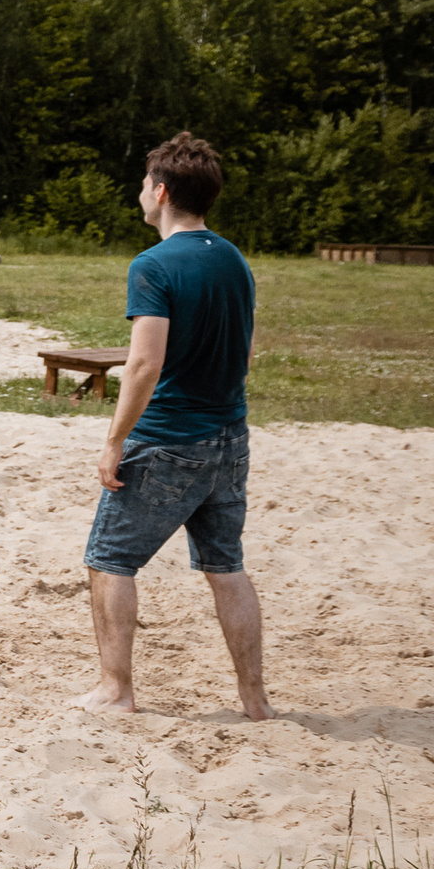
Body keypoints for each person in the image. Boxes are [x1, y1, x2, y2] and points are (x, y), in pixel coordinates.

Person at [75, 132, 270, 720]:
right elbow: (246, 351)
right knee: (226, 567)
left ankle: (116, 690)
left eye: (143, 184)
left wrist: (114, 442)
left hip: (168, 439)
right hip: (230, 438)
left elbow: (144, 363)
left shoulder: (153, 265)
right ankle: (255, 700)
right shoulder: (233, 259)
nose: (139, 193)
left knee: (109, 560)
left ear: (160, 192)